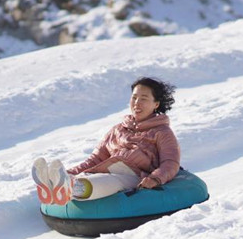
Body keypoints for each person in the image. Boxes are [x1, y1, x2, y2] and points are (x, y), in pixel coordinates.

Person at [32, 77, 181, 205]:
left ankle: (70, 189)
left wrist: (155, 178)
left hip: (133, 176)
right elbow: (95, 159)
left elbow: (170, 162)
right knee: (91, 176)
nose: (137, 103)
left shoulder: (162, 133)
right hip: (104, 170)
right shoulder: (117, 129)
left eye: (143, 99)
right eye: (134, 97)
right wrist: (69, 172)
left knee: (108, 182)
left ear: (156, 104)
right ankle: (54, 184)